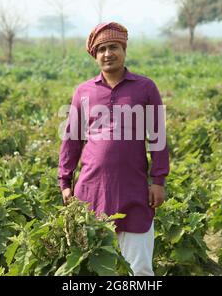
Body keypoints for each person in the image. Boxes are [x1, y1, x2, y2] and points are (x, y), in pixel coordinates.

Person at [58, 22, 170, 276]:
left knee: (138, 268)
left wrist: (159, 180)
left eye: (114, 47)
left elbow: (158, 136)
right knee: (92, 267)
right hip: (91, 190)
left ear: (124, 50)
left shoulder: (145, 88)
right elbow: (71, 140)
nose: (108, 54)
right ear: (95, 55)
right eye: (102, 49)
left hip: (134, 189)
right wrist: (65, 182)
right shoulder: (83, 92)